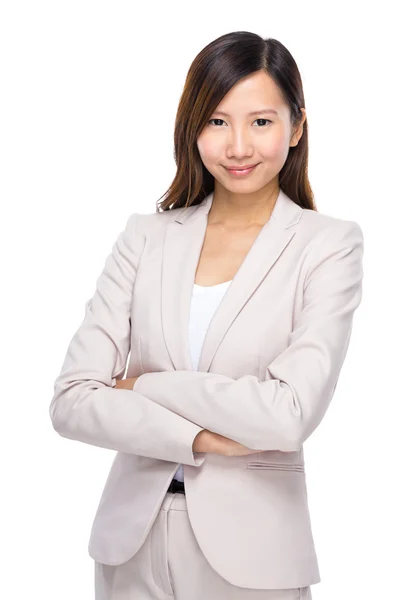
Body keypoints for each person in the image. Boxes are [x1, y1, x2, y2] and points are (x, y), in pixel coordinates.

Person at [50, 31, 364, 600]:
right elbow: (72, 400)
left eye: (261, 122)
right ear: (192, 128)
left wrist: (145, 384)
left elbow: (289, 413)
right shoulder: (145, 238)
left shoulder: (328, 245)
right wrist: (198, 438)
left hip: (256, 555)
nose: (238, 145)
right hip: (130, 549)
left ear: (296, 128)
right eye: (217, 122)